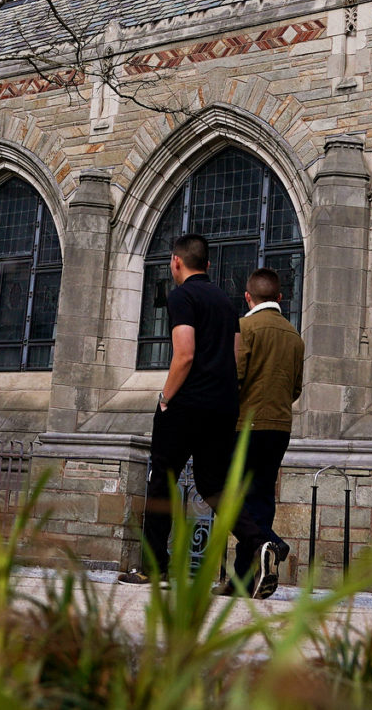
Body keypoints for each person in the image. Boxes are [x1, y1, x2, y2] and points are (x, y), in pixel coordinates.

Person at [118, 231, 241, 584]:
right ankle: (257, 537)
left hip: (187, 405)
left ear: (176, 261)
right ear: (208, 264)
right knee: (213, 484)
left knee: (162, 481)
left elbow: (184, 354)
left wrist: (165, 398)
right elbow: (234, 357)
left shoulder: (182, 297)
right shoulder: (225, 302)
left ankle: (155, 567)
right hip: (222, 405)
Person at [228, 266, 302, 597]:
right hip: (279, 426)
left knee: (226, 494)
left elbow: (235, 378)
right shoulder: (294, 335)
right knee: (260, 497)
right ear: (280, 297)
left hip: (245, 424)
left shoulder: (244, 327)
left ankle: (268, 541)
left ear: (248, 297)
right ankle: (244, 579)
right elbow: (295, 388)